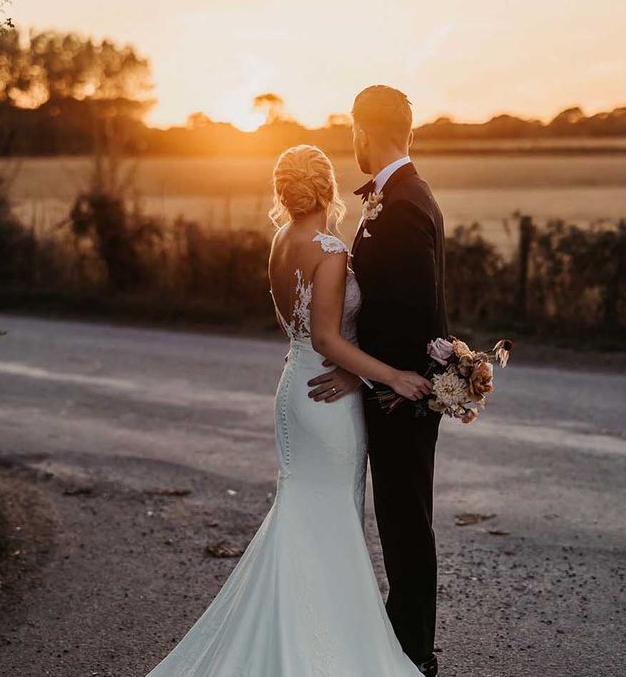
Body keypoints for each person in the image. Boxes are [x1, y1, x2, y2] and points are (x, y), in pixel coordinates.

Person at [144, 141, 433, 676]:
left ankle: (295, 633)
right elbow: (326, 338)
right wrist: (390, 374)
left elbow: (304, 333)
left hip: (292, 390)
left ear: (285, 190)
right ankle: (326, 652)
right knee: (331, 519)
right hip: (327, 394)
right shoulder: (330, 250)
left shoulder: (281, 240)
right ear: (326, 188)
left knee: (303, 511)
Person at [308, 85, 448, 677]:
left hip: (403, 394)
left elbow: (413, 310)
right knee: (398, 521)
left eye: (352, 133)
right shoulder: (394, 195)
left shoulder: (408, 202)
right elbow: (389, 300)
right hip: (392, 385)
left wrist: (389, 379)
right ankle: (400, 644)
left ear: (363, 131)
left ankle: (414, 655)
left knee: (405, 525)